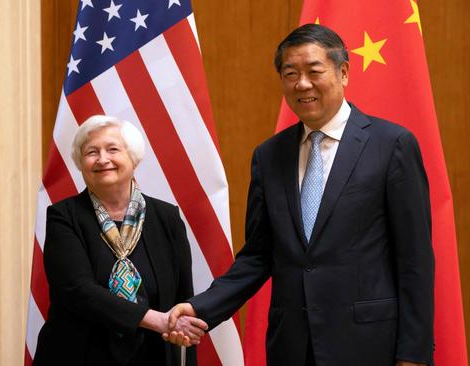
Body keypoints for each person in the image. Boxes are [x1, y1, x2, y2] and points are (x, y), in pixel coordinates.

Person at [165, 24, 434, 366]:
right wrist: (200, 306)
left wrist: (413, 355)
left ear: (344, 72)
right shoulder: (269, 155)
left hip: (369, 345)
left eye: (314, 71)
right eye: (290, 73)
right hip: (292, 346)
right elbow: (258, 256)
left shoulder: (391, 145)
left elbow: (415, 261)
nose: (302, 84)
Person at [33, 115, 206, 365]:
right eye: (91, 152)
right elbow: (77, 291)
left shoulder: (166, 217)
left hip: (153, 356)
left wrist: (181, 335)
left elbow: (182, 298)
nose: (103, 159)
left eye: (113, 149)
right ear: (81, 163)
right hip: (79, 355)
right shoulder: (63, 216)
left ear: (133, 157)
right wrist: (155, 319)